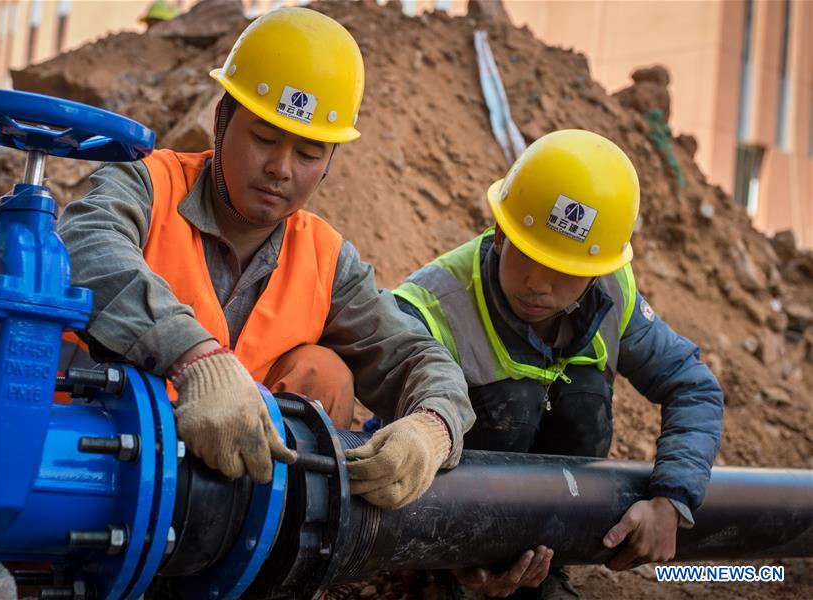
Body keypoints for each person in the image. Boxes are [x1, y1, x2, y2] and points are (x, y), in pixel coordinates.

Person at [58, 7, 474, 508]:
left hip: (230, 517)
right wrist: (197, 360)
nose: (280, 169)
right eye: (264, 138)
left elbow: (414, 355)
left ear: (329, 164)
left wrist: (433, 429)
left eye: (308, 154)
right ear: (222, 121)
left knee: (324, 372)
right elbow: (87, 246)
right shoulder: (146, 184)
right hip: (89, 469)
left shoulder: (325, 258)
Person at [393, 129, 723, 598]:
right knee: (513, 400)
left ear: (597, 270)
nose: (538, 285)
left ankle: (546, 570)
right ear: (502, 233)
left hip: (553, 524)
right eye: (529, 255)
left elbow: (693, 386)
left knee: (580, 399)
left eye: (566, 271)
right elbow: (394, 438)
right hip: (448, 520)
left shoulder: (613, 292)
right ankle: (447, 579)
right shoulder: (431, 305)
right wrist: (441, 545)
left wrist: (672, 499)